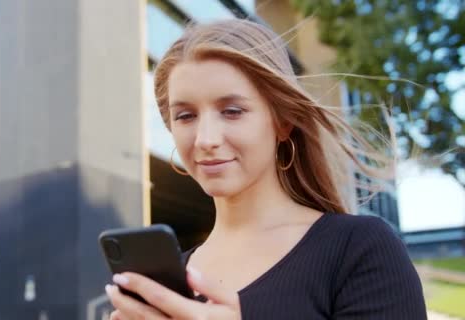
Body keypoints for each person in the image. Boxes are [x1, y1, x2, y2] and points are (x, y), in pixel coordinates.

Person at [104, 19, 427, 319]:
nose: (205, 139)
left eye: (232, 111)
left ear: (283, 122)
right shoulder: (173, 278)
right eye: (186, 116)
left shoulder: (358, 247)